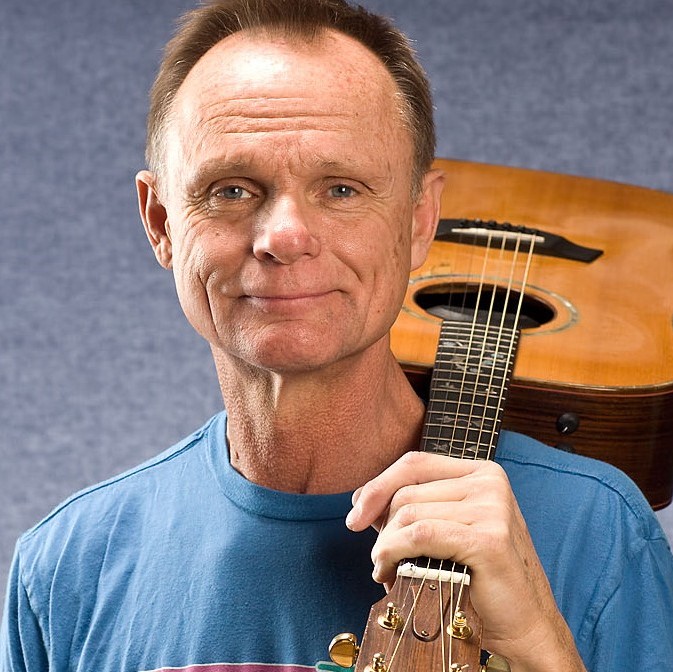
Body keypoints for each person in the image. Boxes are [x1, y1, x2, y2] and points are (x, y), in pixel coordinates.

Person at [2, 0, 672, 670]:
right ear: (161, 223)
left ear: (419, 221)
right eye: (232, 190)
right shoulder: (65, 570)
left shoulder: (594, 528)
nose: (284, 237)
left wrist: (536, 648)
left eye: (341, 189)